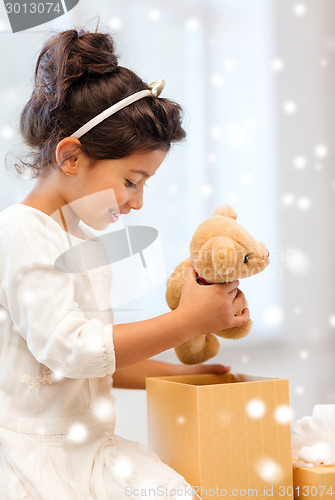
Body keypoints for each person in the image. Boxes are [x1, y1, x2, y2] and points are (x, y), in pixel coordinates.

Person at [0, 28, 249, 500]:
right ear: (71, 156)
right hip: (39, 463)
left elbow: (89, 366)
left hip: (92, 452)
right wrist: (187, 321)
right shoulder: (21, 231)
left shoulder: (81, 242)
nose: (136, 202)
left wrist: (174, 374)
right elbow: (73, 350)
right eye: (132, 181)